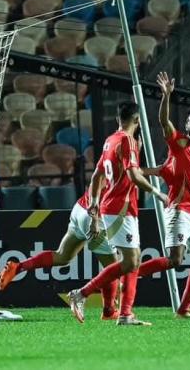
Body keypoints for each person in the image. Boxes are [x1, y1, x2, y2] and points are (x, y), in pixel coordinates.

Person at [67, 101, 167, 326]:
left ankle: (125, 315)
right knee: (130, 262)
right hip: (119, 208)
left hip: (116, 207)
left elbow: (96, 177)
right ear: (138, 120)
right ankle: (81, 293)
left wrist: (94, 207)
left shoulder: (110, 141)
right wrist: (157, 193)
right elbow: (133, 176)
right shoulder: (128, 141)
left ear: (117, 119)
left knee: (134, 260)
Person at [137, 72, 190, 319]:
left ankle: (184, 309)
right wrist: (166, 96)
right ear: (186, 126)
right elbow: (164, 122)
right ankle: (131, 274)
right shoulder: (179, 144)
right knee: (175, 260)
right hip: (178, 210)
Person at [0, 184, 121, 320]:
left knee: (62, 256)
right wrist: (95, 218)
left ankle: (19, 267)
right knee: (113, 269)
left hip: (81, 209)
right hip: (95, 216)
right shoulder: (123, 167)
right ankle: (107, 310)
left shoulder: (115, 166)